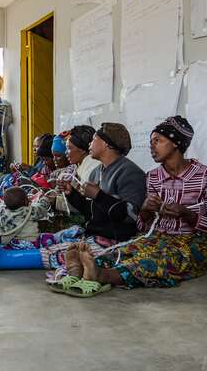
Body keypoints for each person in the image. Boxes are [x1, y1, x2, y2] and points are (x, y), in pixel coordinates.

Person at [57, 116, 207, 297]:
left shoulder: (202, 176)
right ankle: (81, 271)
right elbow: (143, 226)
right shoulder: (153, 177)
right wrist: (144, 210)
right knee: (121, 252)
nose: (152, 146)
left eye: (158, 141)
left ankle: (102, 275)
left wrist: (187, 214)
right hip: (158, 236)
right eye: (151, 141)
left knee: (158, 260)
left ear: (175, 143)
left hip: (193, 240)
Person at [0, 123, 147, 272]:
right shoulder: (100, 171)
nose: (90, 144)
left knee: (57, 254)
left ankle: (3, 259)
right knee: (49, 240)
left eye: (94, 140)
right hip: (92, 232)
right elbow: (91, 212)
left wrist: (98, 195)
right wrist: (72, 194)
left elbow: (131, 215)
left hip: (115, 240)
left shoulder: (130, 173)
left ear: (107, 144)